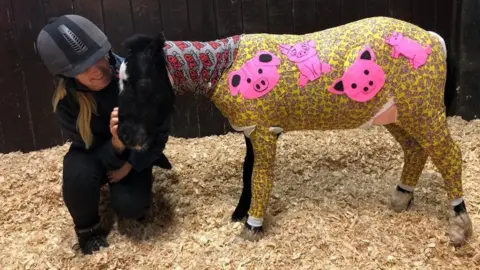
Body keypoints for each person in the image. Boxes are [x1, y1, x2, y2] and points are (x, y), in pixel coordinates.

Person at [35, 14, 172, 255]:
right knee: (77, 176)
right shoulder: (67, 102)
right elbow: (87, 147)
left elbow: (159, 129)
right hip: (92, 151)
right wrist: (116, 144)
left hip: (134, 151)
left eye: (98, 59)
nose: (97, 71)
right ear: (67, 75)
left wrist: (130, 164)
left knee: (132, 207)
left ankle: (132, 182)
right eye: (82, 69)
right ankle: (88, 230)